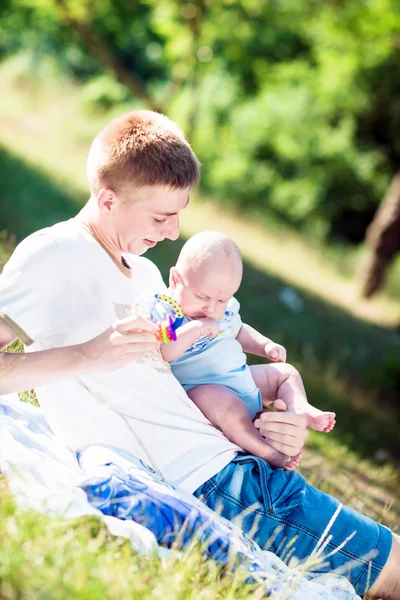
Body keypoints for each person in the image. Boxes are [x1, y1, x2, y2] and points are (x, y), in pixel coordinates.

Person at [0, 110, 398, 598]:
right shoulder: (54, 253)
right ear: (108, 199)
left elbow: (185, 378)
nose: (172, 233)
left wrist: (277, 417)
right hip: (210, 483)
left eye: (180, 214)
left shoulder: (146, 277)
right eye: (161, 217)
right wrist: (86, 355)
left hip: (236, 465)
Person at [144, 230, 335, 470]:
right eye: (202, 297)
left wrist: (264, 345)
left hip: (244, 380)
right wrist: (198, 328)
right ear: (175, 280)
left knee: (285, 372)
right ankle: (269, 454)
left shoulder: (222, 310)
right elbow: (166, 350)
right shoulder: (167, 310)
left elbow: (238, 330)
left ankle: (300, 408)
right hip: (203, 390)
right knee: (226, 406)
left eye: (222, 301)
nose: (211, 308)